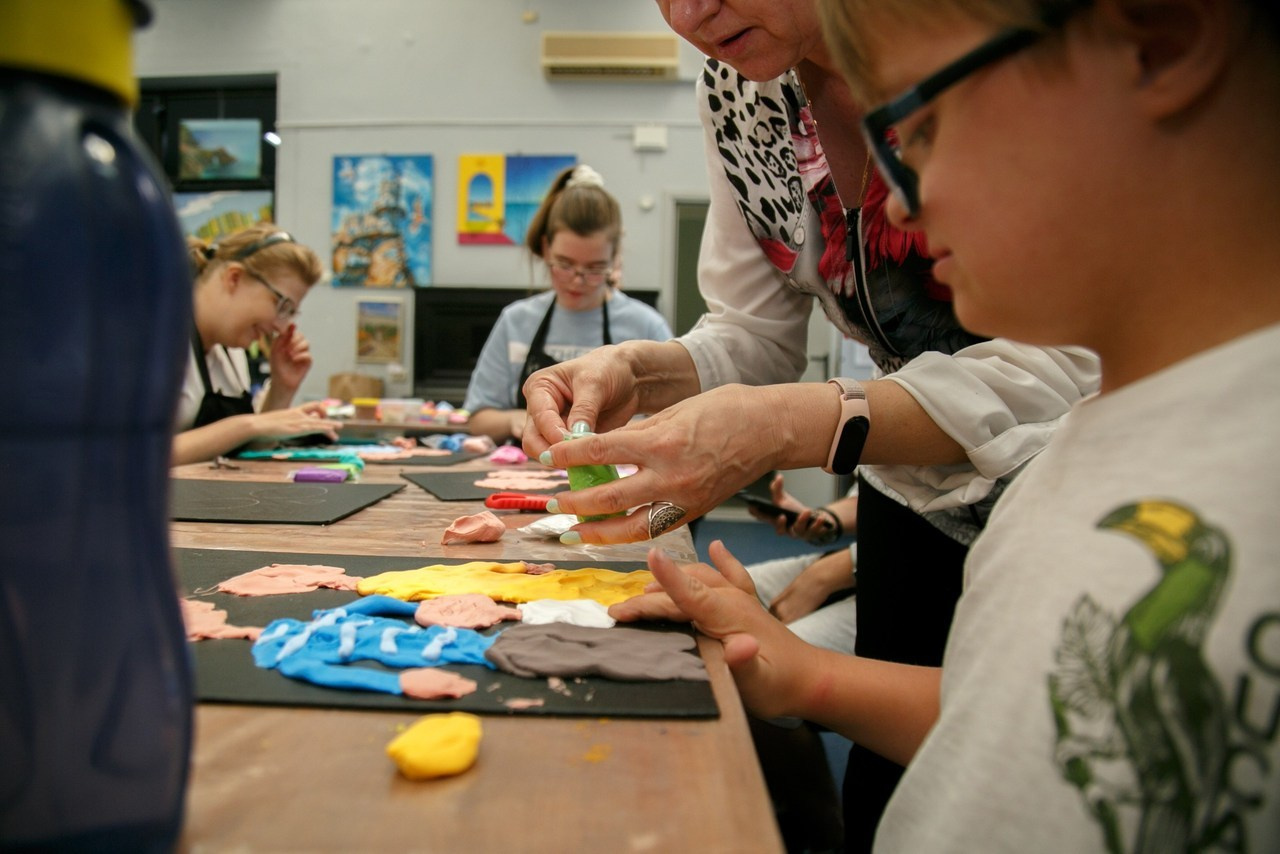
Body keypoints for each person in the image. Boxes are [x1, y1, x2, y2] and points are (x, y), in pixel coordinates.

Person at [612, 0, 1280, 848]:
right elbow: (1024, 722)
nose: (889, 205)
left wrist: (790, 425)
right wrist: (807, 678)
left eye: (919, 125)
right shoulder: (1071, 472)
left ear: (1160, 45)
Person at [522, 1, 1099, 848]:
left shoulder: (980, 40)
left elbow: (1072, 360)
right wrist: (639, 371)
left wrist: (791, 423)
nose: (692, 13)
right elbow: (755, 332)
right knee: (898, 796)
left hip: (1066, 506)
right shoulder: (738, 88)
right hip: (908, 509)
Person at [461, 165, 673, 443]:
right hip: (529, 466)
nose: (577, 280)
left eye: (594, 268)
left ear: (614, 259)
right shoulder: (516, 322)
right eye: (564, 264)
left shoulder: (646, 326)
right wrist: (517, 419)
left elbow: (674, 420)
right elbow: (478, 419)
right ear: (546, 248)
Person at [174, 224, 340, 465]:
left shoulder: (231, 353)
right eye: (282, 306)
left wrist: (282, 390)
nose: (282, 327)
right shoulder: (152, 339)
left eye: (291, 313)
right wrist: (248, 425)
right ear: (234, 277)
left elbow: (246, 452)